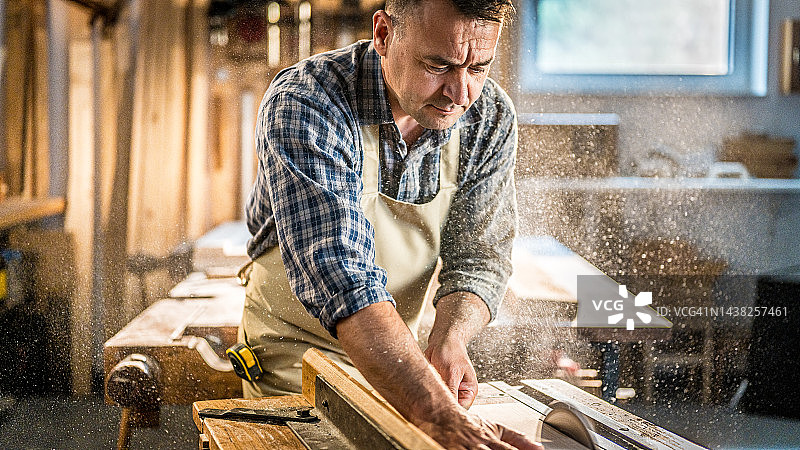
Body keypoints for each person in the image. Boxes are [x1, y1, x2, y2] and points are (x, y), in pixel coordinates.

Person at [240, 0, 541, 447]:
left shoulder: (489, 117)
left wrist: (449, 336)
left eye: (478, 67)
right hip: (296, 357)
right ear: (383, 34)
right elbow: (343, 276)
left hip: (404, 355)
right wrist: (435, 412)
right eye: (438, 64)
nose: (460, 94)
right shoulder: (307, 101)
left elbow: (479, 257)